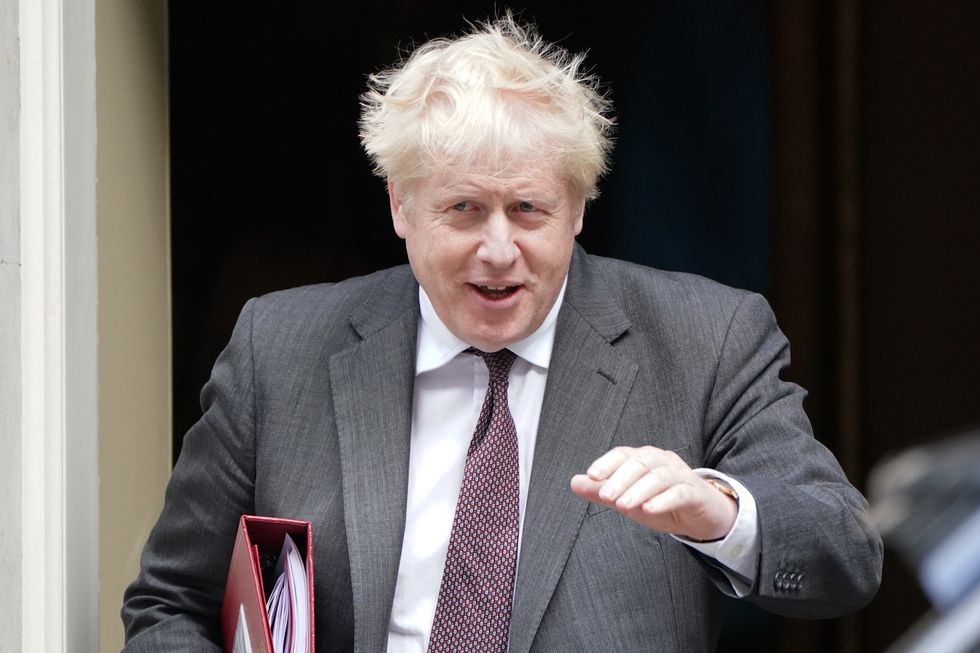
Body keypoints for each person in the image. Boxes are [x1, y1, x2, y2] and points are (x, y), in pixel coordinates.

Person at [122, 14, 883, 652]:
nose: (497, 249)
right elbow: (170, 603)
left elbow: (843, 556)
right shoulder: (280, 346)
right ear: (400, 206)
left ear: (578, 210)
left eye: (528, 210)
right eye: (462, 210)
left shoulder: (705, 339)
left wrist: (719, 512)